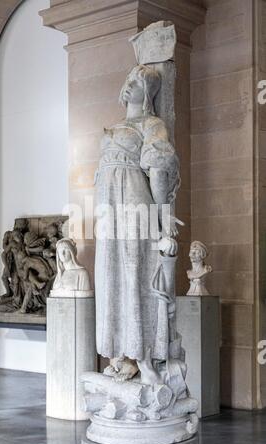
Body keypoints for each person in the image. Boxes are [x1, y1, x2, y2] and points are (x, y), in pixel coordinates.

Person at [94, 65, 181, 382]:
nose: (130, 85)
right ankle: (119, 354)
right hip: (107, 206)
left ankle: (143, 356)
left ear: (150, 94)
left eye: (140, 82)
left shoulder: (151, 123)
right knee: (111, 275)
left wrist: (163, 213)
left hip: (133, 199)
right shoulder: (117, 125)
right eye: (129, 79)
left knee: (135, 273)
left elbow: (157, 167)